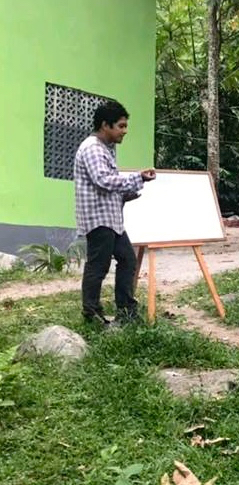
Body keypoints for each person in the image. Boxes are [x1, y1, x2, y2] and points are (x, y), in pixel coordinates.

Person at [75, 101, 156, 326]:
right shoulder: (92, 148)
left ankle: (127, 311)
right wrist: (137, 177)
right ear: (105, 125)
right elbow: (103, 180)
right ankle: (91, 314)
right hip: (98, 219)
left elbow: (106, 187)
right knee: (98, 266)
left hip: (111, 219)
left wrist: (131, 191)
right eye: (120, 126)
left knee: (128, 260)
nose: (124, 131)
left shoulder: (106, 149)